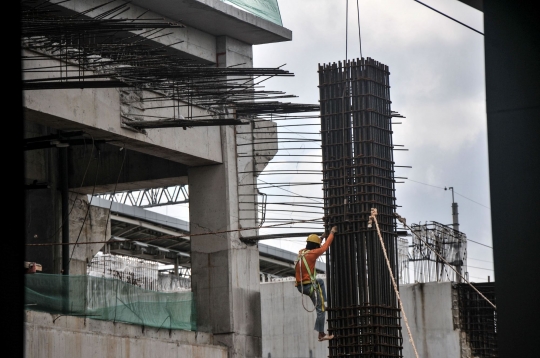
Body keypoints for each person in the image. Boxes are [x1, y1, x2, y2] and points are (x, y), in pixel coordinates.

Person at [295, 226, 338, 342]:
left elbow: (315, 245)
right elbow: (324, 247)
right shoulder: (312, 254)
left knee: (320, 281)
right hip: (308, 286)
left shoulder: (302, 252)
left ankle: (324, 301)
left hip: (302, 285)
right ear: (314, 246)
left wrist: (322, 237)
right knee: (320, 310)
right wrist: (332, 233)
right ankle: (321, 334)